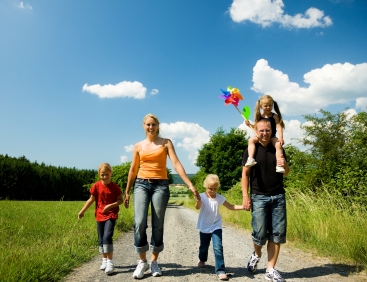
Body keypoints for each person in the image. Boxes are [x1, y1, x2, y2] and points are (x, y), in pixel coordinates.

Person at [124, 113, 201, 279]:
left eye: (154, 124)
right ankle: (142, 261)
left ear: (158, 126)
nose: (151, 127)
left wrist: (190, 184)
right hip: (141, 184)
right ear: (144, 126)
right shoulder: (138, 146)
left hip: (161, 185)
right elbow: (133, 169)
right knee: (139, 222)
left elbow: (176, 163)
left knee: (158, 224)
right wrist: (127, 190)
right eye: (148, 125)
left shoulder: (166, 143)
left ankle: (154, 261)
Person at [241, 119, 290, 282]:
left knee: (277, 234)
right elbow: (245, 174)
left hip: (278, 196)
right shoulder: (251, 150)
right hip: (258, 196)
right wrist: (246, 196)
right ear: (257, 131)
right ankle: (256, 254)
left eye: (267, 130)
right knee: (260, 233)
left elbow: (286, 172)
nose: (264, 133)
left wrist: (285, 165)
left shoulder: (278, 147)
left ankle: (270, 269)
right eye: (261, 130)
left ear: (271, 131)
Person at [195, 174, 244, 281]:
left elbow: (231, 206)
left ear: (218, 187)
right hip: (204, 226)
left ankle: (221, 270)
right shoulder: (202, 197)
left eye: (215, 189)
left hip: (216, 226)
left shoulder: (220, 198)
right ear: (205, 186)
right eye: (210, 188)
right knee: (203, 247)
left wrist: (243, 207)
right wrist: (198, 200)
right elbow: (197, 207)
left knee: (218, 247)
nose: (212, 191)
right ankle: (202, 259)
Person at [78, 163, 123, 275]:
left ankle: (110, 262)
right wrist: (82, 211)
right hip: (99, 215)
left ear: (111, 173)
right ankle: (104, 260)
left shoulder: (115, 187)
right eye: (102, 174)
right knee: (101, 239)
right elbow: (91, 200)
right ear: (99, 174)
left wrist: (110, 206)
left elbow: (120, 200)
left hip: (111, 214)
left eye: (107, 174)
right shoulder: (96, 186)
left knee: (107, 237)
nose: (104, 177)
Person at [244, 94, 286, 173]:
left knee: (278, 145)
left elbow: (279, 126)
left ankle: (279, 165)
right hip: (260, 137)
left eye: (270, 105)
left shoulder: (274, 116)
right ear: (261, 106)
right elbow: (256, 128)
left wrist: (281, 137)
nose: (268, 107)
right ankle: (251, 159)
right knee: (251, 140)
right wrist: (249, 124)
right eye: (265, 106)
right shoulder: (259, 116)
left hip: (272, 136)